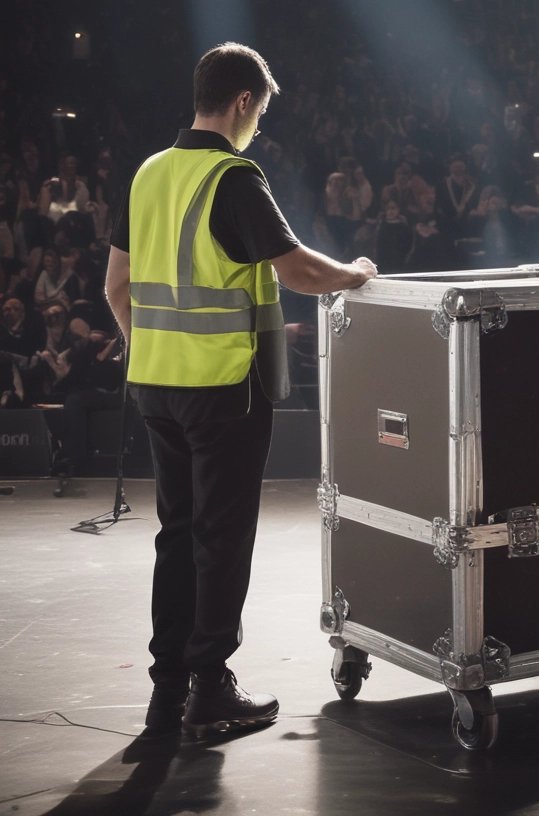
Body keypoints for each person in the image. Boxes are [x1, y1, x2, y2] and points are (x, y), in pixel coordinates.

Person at [104, 43, 377, 742]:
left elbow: (115, 287)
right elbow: (300, 273)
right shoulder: (231, 176)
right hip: (223, 389)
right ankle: (211, 688)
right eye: (260, 113)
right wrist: (355, 273)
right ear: (244, 102)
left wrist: (151, 351)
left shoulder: (147, 174)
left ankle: (168, 691)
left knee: (178, 534)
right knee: (221, 541)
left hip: (156, 386)